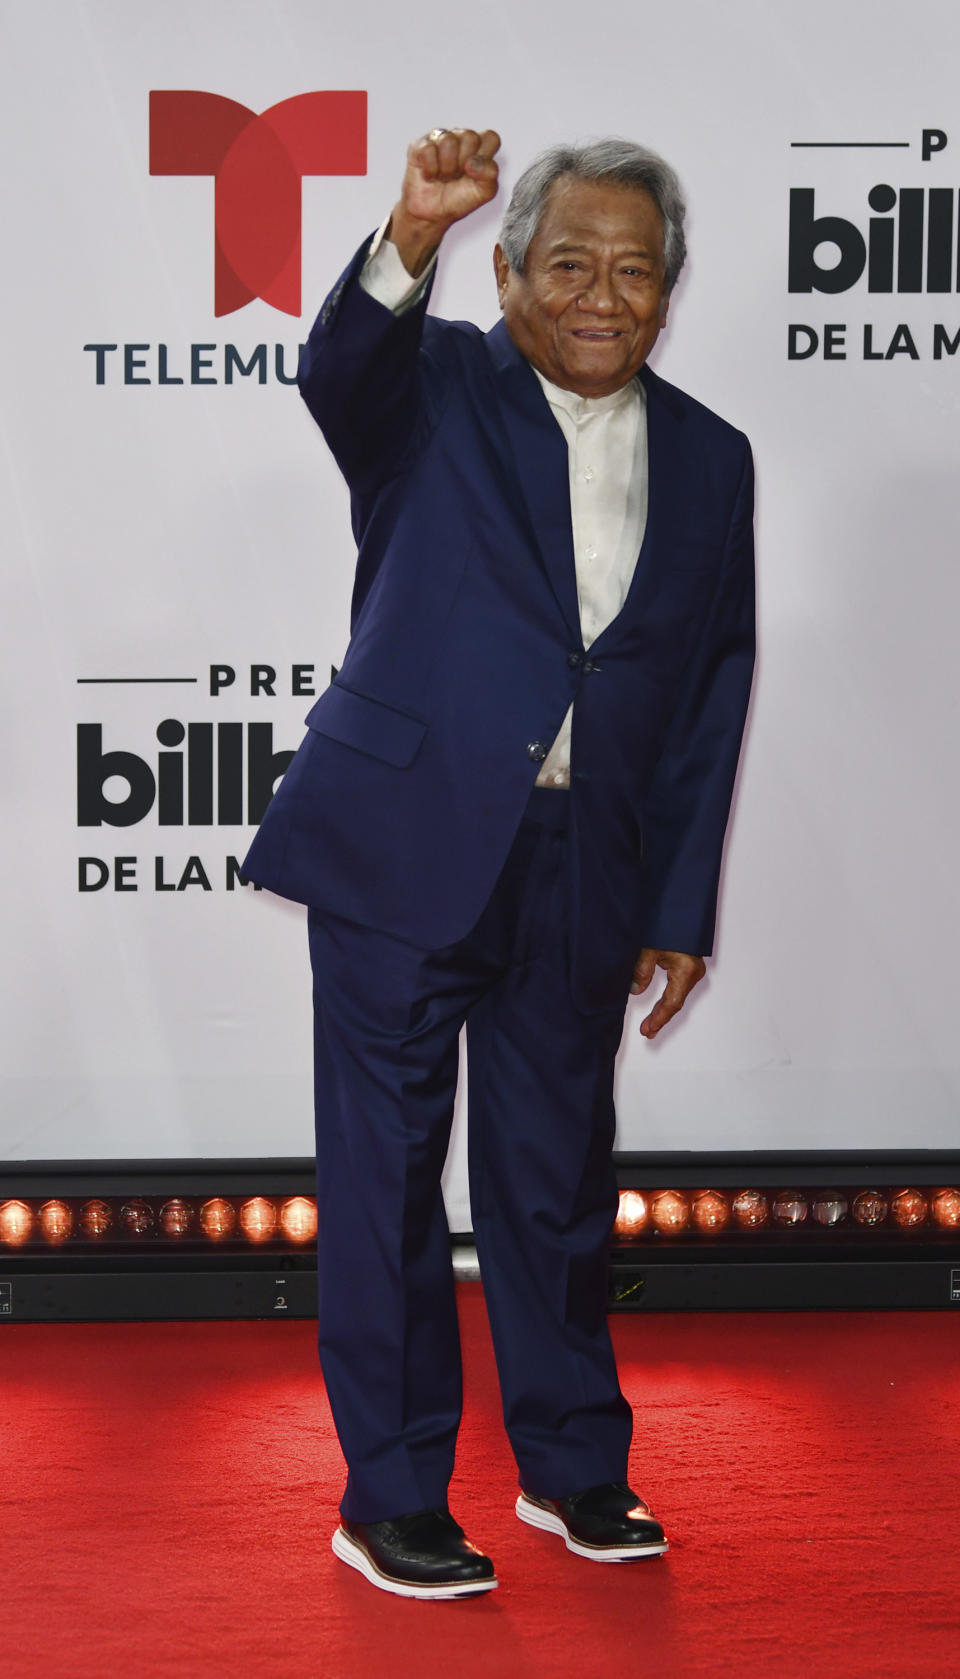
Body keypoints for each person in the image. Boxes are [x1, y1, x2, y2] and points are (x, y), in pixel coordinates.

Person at [242, 126, 755, 1599]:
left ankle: (573, 1465)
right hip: (408, 847)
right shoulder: (438, 389)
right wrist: (410, 232)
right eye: (571, 265)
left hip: (585, 861)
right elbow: (337, 369)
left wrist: (676, 901)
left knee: (553, 1180)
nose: (604, 296)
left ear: (671, 295)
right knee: (391, 1176)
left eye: (637, 273)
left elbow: (708, 692)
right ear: (513, 272)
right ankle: (393, 1493)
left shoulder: (714, 458)